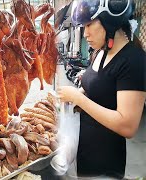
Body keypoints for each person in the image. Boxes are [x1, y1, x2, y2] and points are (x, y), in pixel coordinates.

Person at [57, 0, 146, 178]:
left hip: (106, 164)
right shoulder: (100, 52)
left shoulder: (133, 60)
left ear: (109, 21)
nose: (85, 34)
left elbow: (127, 126)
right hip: (85, 155)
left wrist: (79, 98)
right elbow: (97, 90)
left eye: (89, 24)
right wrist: (75, 98)